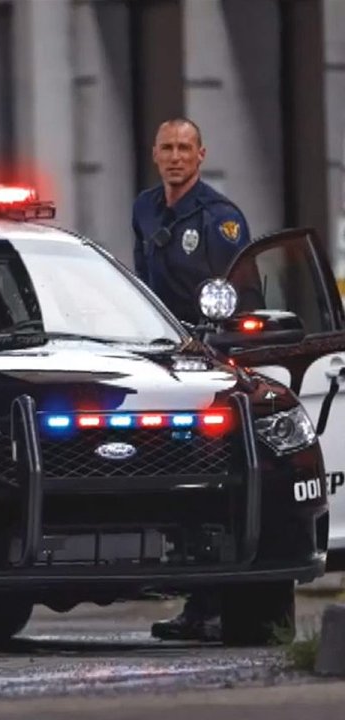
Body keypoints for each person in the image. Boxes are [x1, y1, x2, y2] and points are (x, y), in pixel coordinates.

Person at [131, 117, 250, 642]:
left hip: (210, 369)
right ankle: (196, 606)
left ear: (201, 155)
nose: (175, 156)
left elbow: (235, 299)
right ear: (155, 154)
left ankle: (220, 603)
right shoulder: (144, 208)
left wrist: (211, 345)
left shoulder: (222, 220)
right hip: (161, 365)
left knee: (212, 487)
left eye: (185, 148)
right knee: (175, 487)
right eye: (166, 148)